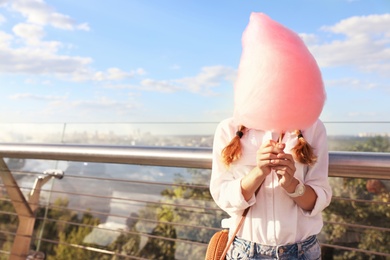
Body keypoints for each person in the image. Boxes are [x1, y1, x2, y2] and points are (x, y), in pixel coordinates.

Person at [209, 13, 332, 260]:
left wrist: (292, 184)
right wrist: (258, 172)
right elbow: (223, 196)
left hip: (302, 251)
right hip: (246, 251)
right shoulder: (228, 130)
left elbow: (319, 198)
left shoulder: (312, 128)